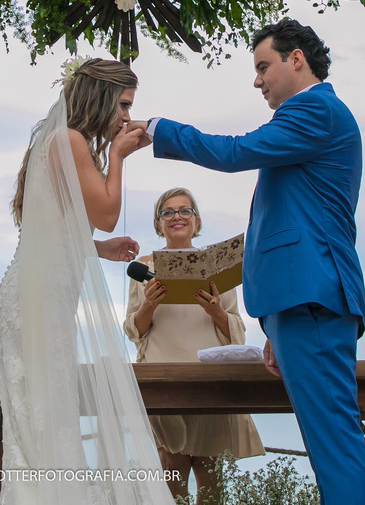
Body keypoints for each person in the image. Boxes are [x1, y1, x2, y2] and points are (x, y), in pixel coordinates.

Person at [132, 18, 365, 505]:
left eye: (264, 67)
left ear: (296, 59)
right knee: (326, 440)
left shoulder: (315, 108)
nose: (257, 80)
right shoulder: (308, 121)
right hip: (299, 302)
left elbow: (235, 152)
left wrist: (159, 130)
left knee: (334, 441)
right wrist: (275, 327)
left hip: (313, 296)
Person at [0, 58, 173, 505]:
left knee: (44, 424)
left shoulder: (61, 142)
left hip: (38, 297)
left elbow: (50, 232)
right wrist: (118, 157)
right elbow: (108, 214)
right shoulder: (70, 140)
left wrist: (99, 249)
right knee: (47, 421)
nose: (127, 116)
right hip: (38, 301)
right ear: (102, 98)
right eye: (124, 105)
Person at [124, 187, 265, 504]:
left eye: (184, 210)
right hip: (163, 380)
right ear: (158, 223)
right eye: (168, 212)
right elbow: (134, 331)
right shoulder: (143, 268)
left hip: (209, 380)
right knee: (171, 473)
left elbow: (237, 331)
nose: (177, 216)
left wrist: (215, 311)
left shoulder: (217, 267)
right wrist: (148, 305)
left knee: (211, 481)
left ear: (196, 220)